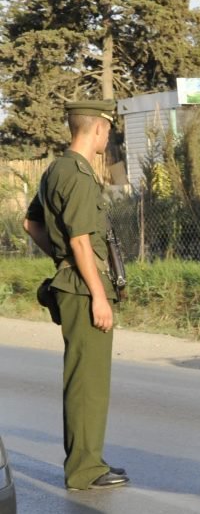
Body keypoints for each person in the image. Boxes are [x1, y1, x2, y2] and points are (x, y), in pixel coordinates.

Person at [23, 100, 129, 492]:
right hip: (85, 290)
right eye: (107, 129)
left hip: (73, 283)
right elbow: (82, 241)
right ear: (97, 128)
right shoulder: (80, 175)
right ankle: (85, 469)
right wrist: (99, 295)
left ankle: (88, 460)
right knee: (88, 381)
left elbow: (30, 222)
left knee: (84, 377)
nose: (108, 136)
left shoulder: (56, 169)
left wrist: (62, 260)